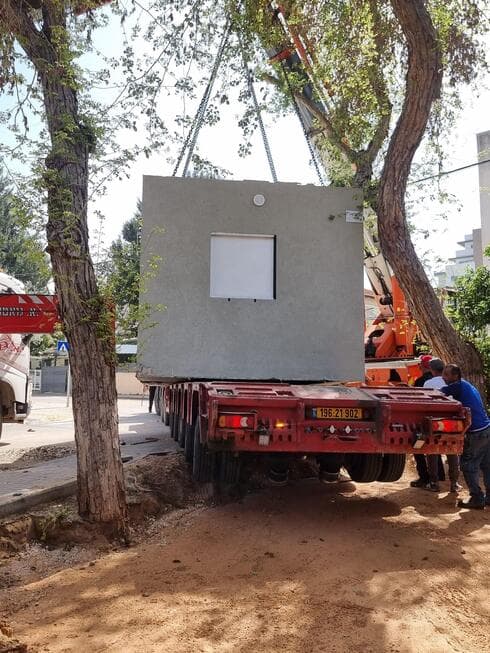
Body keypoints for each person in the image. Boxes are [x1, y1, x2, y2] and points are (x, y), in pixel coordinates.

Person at [442, 364, 490, 509]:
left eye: (446, 374)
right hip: (486, 428)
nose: (443, 377)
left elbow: (436, 393)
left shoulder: (455, 386)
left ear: (455, 376)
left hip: (476, 432)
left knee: (468, 466)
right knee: (486, 465)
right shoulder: (466, 384)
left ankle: (477, 498)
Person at [422, 359, 462, 492]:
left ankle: (434, 482)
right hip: (451, 419)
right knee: (452, 451)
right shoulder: (455, 382)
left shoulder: (428, 383)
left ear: (431, 370)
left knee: (432, 450)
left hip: (434, 420)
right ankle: (454, 484)